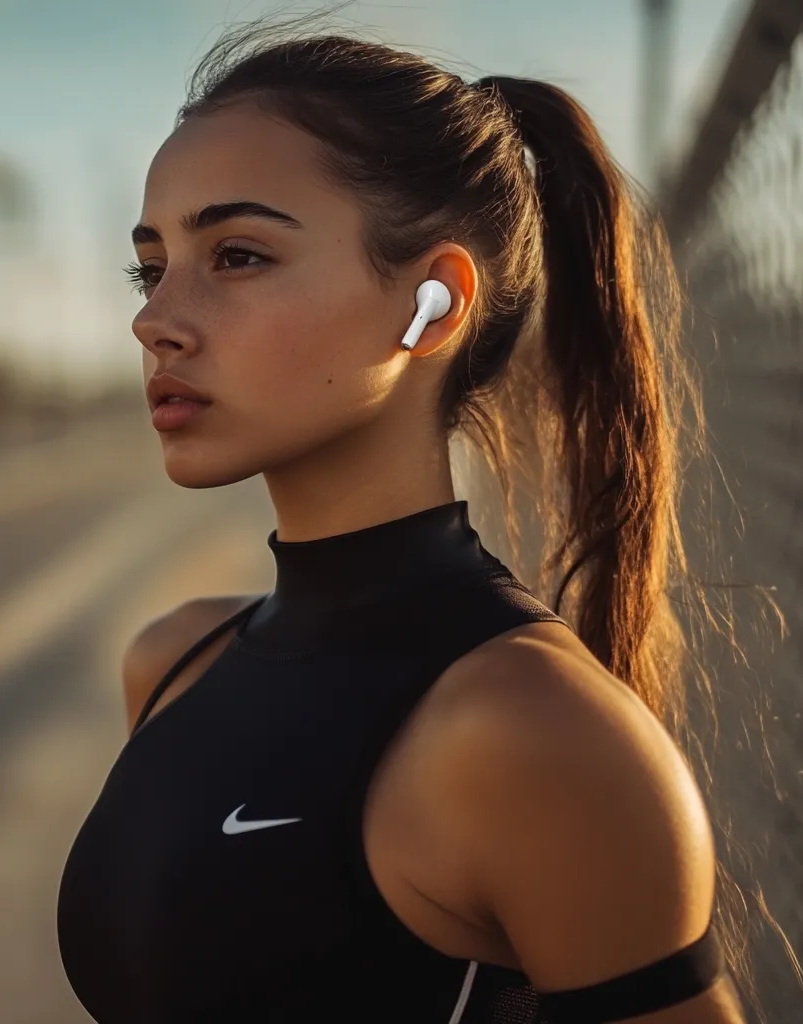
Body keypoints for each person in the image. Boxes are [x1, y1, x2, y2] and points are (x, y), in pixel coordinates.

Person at [56, 11, 755, 1024]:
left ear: (433, 302)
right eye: (150, 264)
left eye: (238, 254)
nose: (154, 317)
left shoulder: (532, 732)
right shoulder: (170, 662)